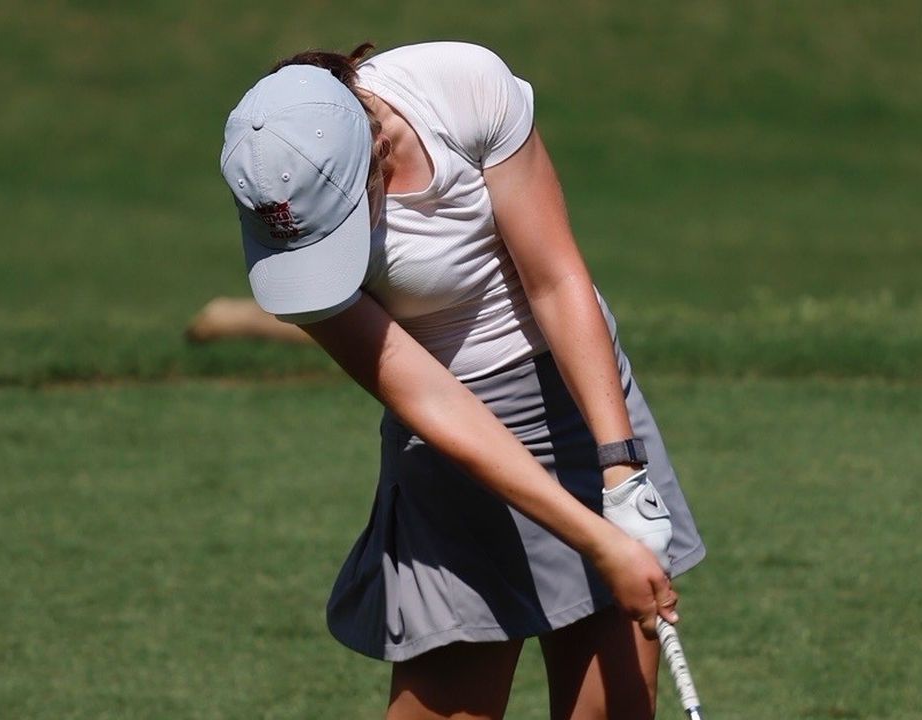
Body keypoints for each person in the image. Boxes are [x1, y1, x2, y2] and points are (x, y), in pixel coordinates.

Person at [220, 41, 705, 719]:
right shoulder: (282, 218)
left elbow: (556, 281)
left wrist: (619, 468)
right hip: (455, 450)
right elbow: (425, 395)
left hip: (580, 404)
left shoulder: (459, 86)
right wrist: (597, 539)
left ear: (374, 153)